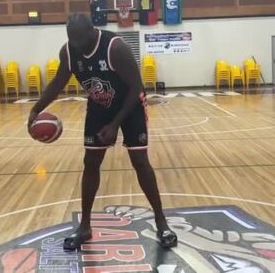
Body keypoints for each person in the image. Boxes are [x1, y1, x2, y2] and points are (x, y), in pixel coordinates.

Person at [28, 13, 178, 251]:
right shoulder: (68, 52)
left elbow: (137, 89)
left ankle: (161, 221)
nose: (75, 44)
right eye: (71, 39)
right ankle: (85, 226)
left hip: (130, 106)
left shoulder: (115, 48)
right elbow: (58, 82)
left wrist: (116, 124)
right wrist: (36, 109)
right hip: (100, 107)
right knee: (91, 162)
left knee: (140, 161)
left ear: (91, 31)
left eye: (79, 39)